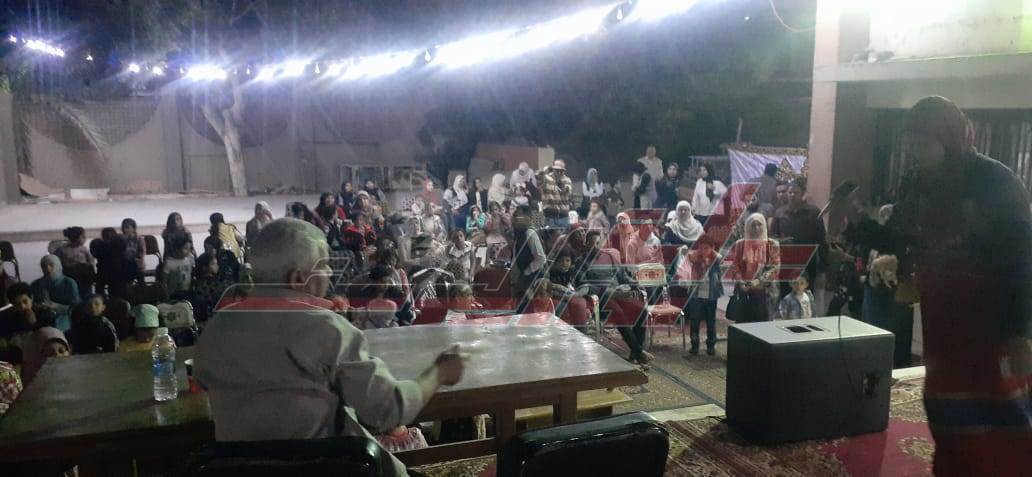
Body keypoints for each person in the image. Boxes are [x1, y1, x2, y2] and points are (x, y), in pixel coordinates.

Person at [195, 218, 468, 477]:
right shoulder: (326, 328)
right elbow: (386, 411)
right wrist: (439, 373)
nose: (329, 273)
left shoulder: (218, 326)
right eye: (324, 265)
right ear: (298, 278)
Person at [892, 95, 1032, 475]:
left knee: (1001, 406)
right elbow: (904, 234)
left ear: (950, 139)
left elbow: (1021, 259)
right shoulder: (918, 183)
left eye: (924, 145)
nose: (916, 154)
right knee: (945, 399)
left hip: (992, 318)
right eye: (912, 146)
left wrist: (1019, 332)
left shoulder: (995, 182)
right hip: (943, 316)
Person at [771, 178, 826, 293]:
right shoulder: (780, 213)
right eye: (790, 192)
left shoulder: (814, 212)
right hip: (786, 261)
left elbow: (821, 240)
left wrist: (823, 266)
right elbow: (773, 238)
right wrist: (782, 241)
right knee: (786, 294)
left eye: (795, 193)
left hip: (807, 261)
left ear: (802, 194)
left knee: (805, 294)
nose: (792, 195)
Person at [674, 234, 723, 355]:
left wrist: (710, 256)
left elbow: (719, 259)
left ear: (712, 248)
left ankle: (711, 345)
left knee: (711, 321)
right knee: (694, 321)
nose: (703, 251)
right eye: (701, 248)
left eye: (706, 248)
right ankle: (694, 345)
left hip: (711, 295)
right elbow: (686, 263)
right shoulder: (693, 258)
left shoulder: (716, 259)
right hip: (696, 295)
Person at [726, 213, 780, 323]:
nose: (756, 228)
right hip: (744, 290)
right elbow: (735, 266)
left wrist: (759, 281)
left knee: (762, 323)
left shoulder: (772, 244)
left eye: (759, 224)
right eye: (753, 225)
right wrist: (741, 282)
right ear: (747, 227)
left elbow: (775, 267)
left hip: (764, 291)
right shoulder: (740, 244)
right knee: (743, 322)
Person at [30, 255, 81, 331]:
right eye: (44, 266)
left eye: (51, 265)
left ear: (58, 265)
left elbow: (76, 308)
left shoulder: (69, 283)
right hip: (41, 320)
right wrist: (39, 306)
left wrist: (57, 306)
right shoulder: (36, 284)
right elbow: (30, 304)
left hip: (64, 319)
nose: (47, 268)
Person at [511, 205, 547, 299]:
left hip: (533, 279)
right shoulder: (519, 234)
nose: (515, 217)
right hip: (523, 278)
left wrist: (526, 273)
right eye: (514, 215)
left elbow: (541, 259)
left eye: (518, 215)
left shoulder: (530, 233)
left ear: (528, 218)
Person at [92, 227, 132, 300]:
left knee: (101, 286)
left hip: (106, 275)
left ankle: (102, 301)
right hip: (118, 275)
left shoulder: (100, 246)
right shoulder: (119, 244)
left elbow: (96, 256)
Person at [191, 252, 233, 321]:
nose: (217, 266)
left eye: (216, 264)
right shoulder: (205, 284)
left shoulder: (198, 282)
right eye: (213, 264)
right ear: (204, 267)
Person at [538, 159, 574, 229]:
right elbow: (538, 178)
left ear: (564, 170)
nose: (559, 172)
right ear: (553, 169)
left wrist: (561, 184)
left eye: (561, 170)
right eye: (557, 170)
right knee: (549, 235)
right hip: (550, 215)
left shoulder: (567, 180)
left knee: (564, 235)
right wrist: (546, 170)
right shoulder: (546, 178)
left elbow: (568, 191)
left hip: (563, 216)